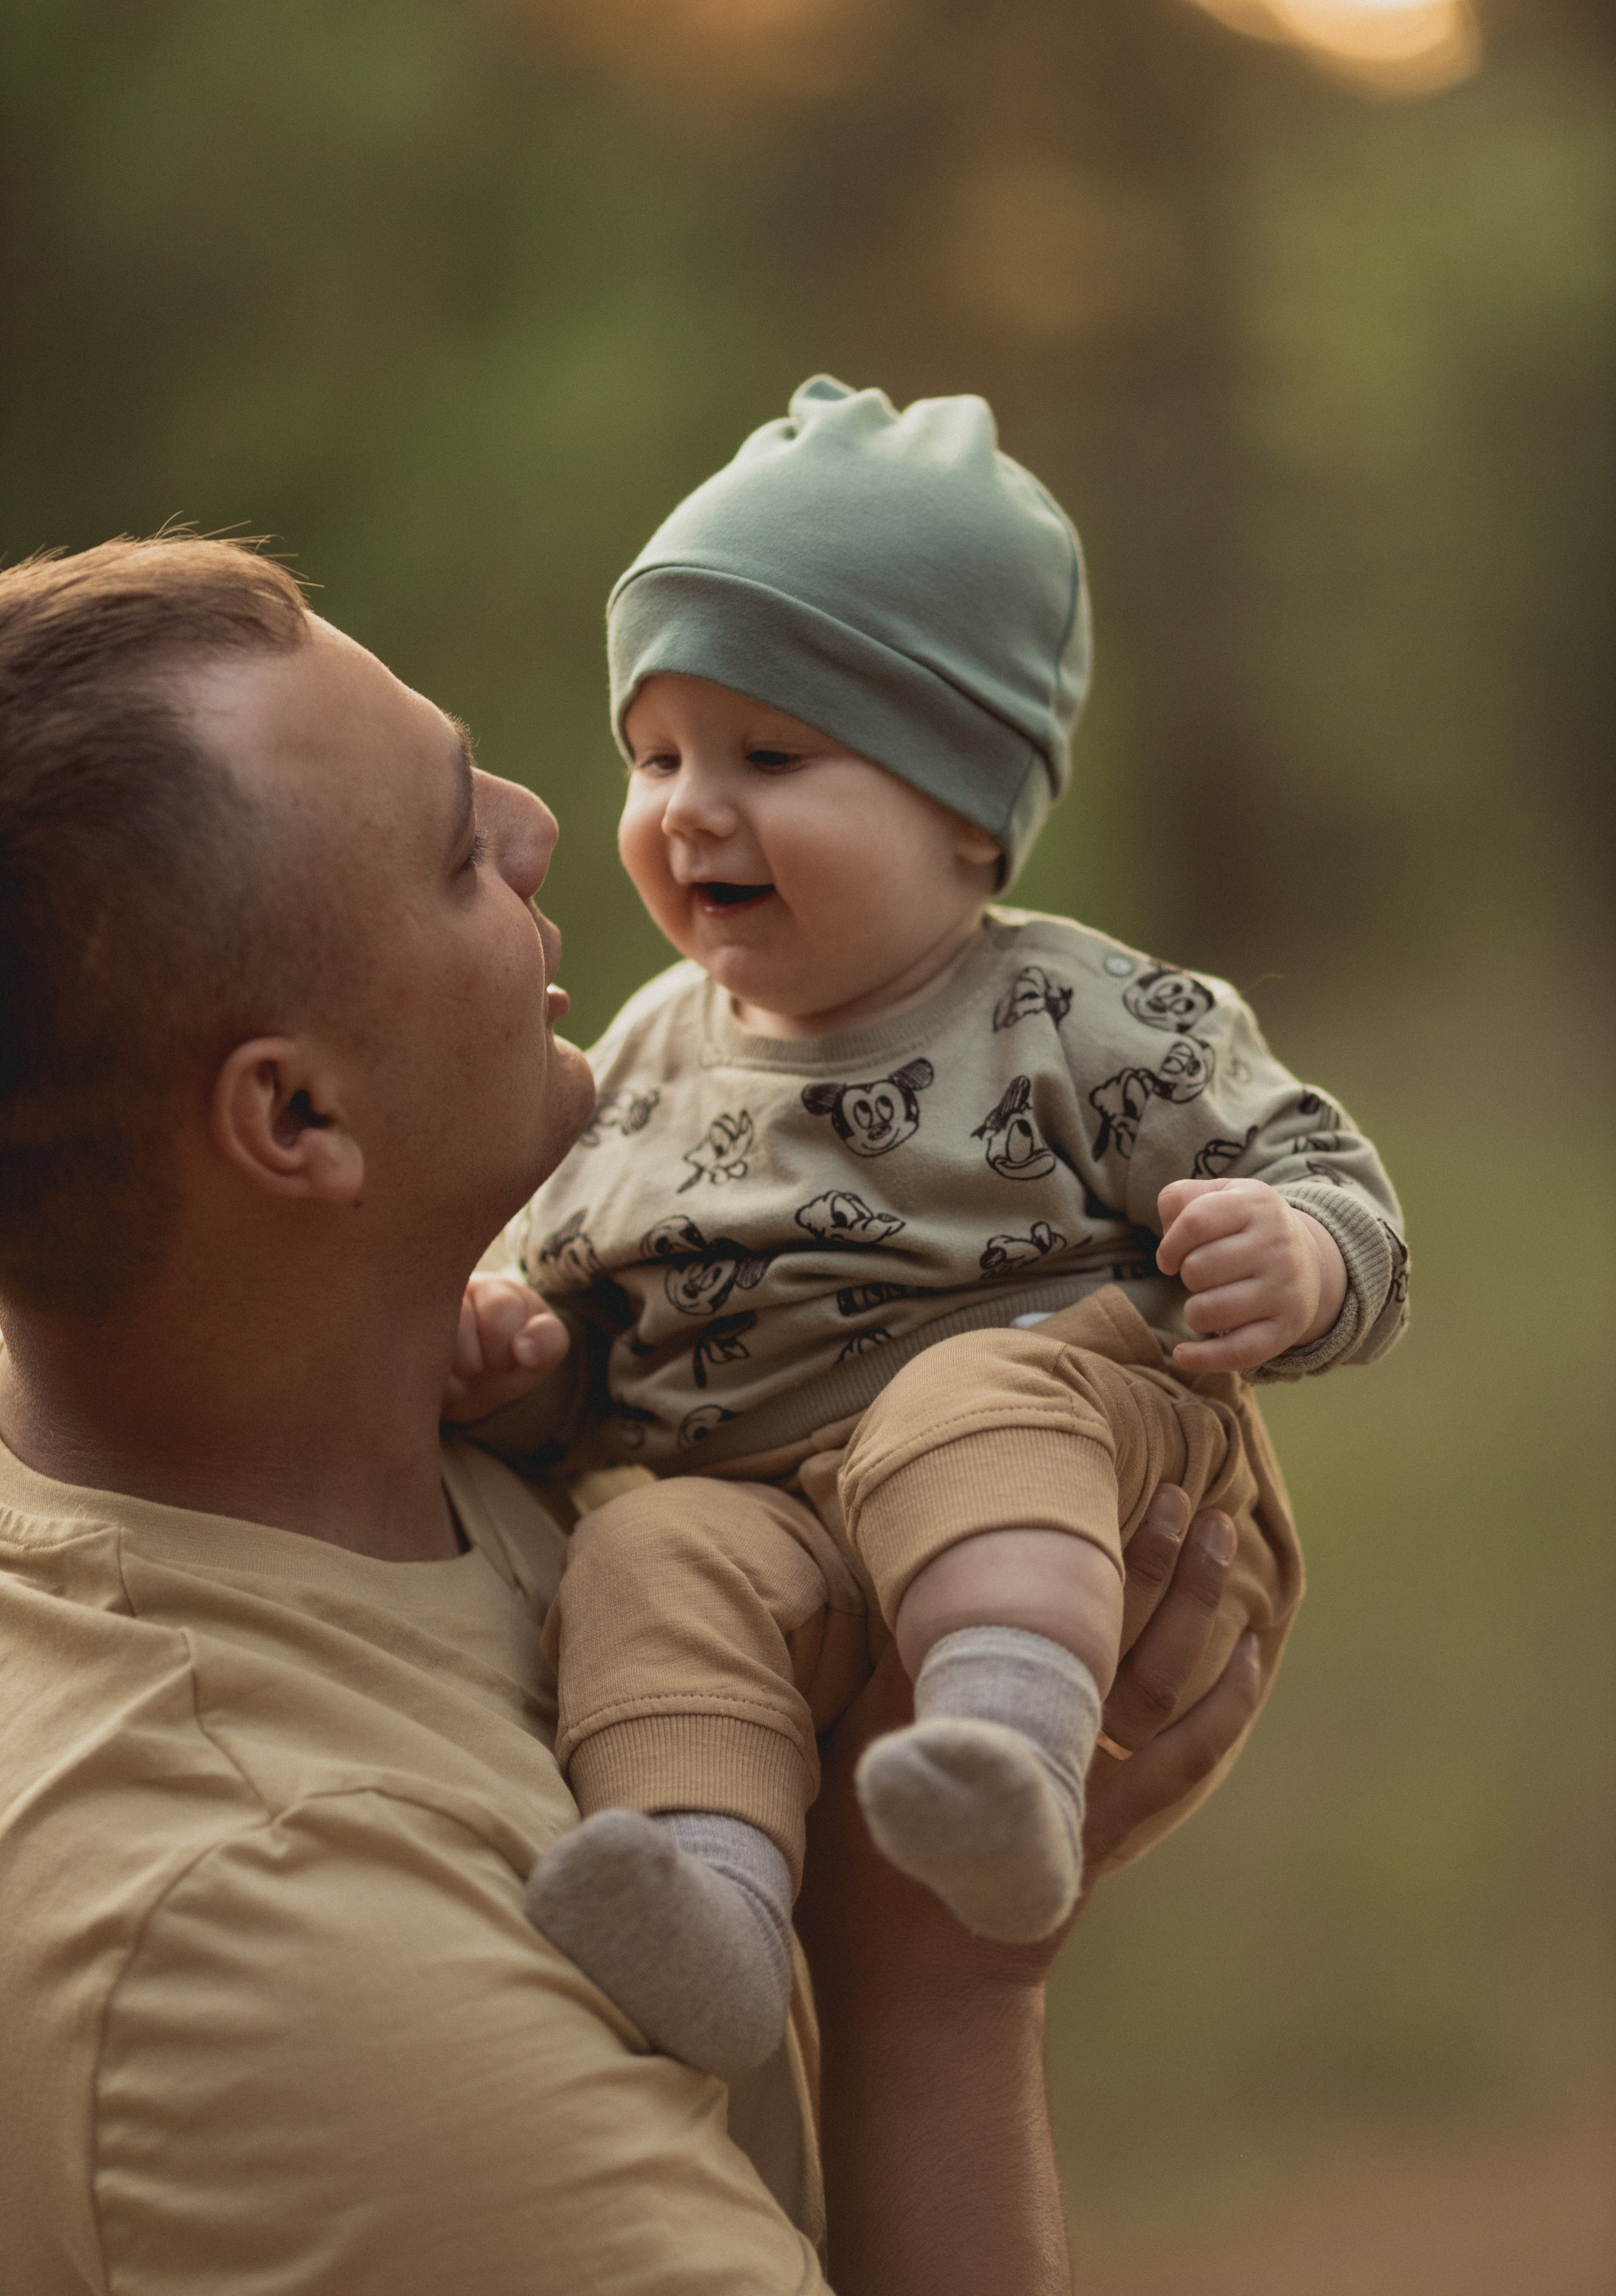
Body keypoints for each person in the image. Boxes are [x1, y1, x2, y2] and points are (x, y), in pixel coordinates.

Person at [0, 533, 1263, 2296]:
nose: (545, 824)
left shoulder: (350, 1429)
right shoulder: (286, 1955)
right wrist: (938, 1987)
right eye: (457, 853)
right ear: (295, 1126)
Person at [449, 376, 1408, 2079]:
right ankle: (717, 1911)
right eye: (656, 753)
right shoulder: (649, 1056)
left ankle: (1010, 1761)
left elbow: (1325, 1168)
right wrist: (523, 1368)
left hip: (1087, 1456)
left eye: (770, 753)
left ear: (967, 806)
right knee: (644, 1554)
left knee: (963, 1404)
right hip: (783, 1526)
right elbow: (596, 1339)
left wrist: (1302, 1252)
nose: (688, 806)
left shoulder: (1080, 1016)